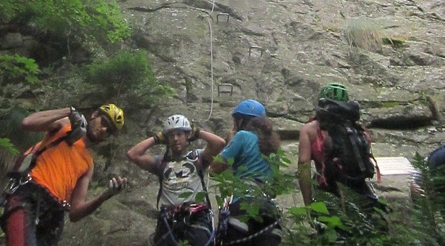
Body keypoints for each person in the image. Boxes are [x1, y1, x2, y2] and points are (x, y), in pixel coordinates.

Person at [1, 103, 127, 246]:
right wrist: (68, 111)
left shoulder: (88, 164)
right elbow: (27, 123)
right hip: (29, 195)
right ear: (94, 115)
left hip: (54, 214)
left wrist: (104, 196)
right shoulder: (65, 126)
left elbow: (75, 212)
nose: (103, 129)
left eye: (109, 130)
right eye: (103, 122)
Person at [127, 114, 225, 246]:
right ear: (166, 139)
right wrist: (156, 138)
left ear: (187, 136)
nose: (175, 139)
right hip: (169, 219)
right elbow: (133, 154)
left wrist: (197, 132)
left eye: (179, 134)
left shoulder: (198, 158)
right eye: (171, 135)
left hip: (196, 217)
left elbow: (219, 143)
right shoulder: (160, 163)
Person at [298, 83, 381, 218]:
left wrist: (308, 204)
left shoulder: (310, 129)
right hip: (359, 190)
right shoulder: (358, 130)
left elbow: (303, 164)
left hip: (327, 190)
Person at [210, 99, 282, 246]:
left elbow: (214, 169)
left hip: (243, 205)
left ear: (241, 121)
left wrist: (230, 143)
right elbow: (274, 189)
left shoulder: (242, 136)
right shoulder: (274, 147)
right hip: (268, 209)